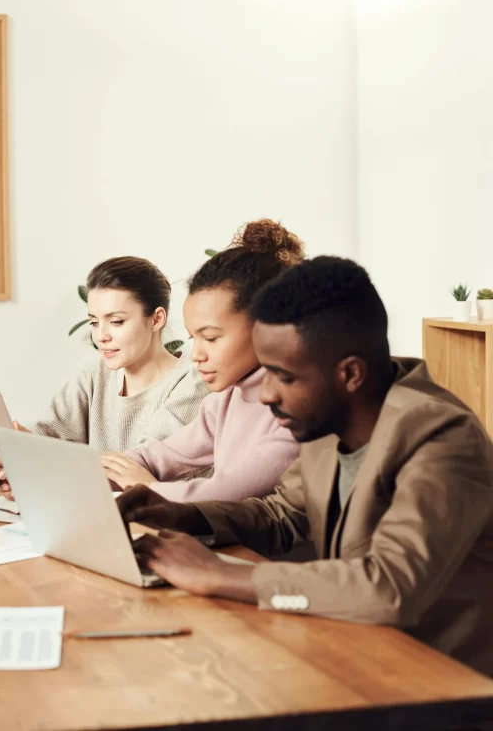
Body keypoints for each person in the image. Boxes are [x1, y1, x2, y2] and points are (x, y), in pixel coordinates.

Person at [120, 257, 493, 677]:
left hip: (443, 688)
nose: (266, 395)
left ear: (349, 374)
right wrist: (188, 515)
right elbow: (284, 513)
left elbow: (389, 587)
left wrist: (222, 575)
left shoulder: (442, 438)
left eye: (282, 376)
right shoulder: (331, 419)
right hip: (353, 655)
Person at [100, 219, 302, 503]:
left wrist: (148, 489)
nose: (196, 355)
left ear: (268, 326)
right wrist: (84, 475)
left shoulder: (301, 409)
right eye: (194, 339)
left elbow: (225, 493)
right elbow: (157, 457)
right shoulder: (225, 400)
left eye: (212, 338)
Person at [25, 256, 209, 450]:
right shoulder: (96, 374)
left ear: (156, 319)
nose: (101, 336)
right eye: (94, 323)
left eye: (116, 322)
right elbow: (47, 430)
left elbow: (146, 463)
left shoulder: (193, 384)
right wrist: (18, 447)